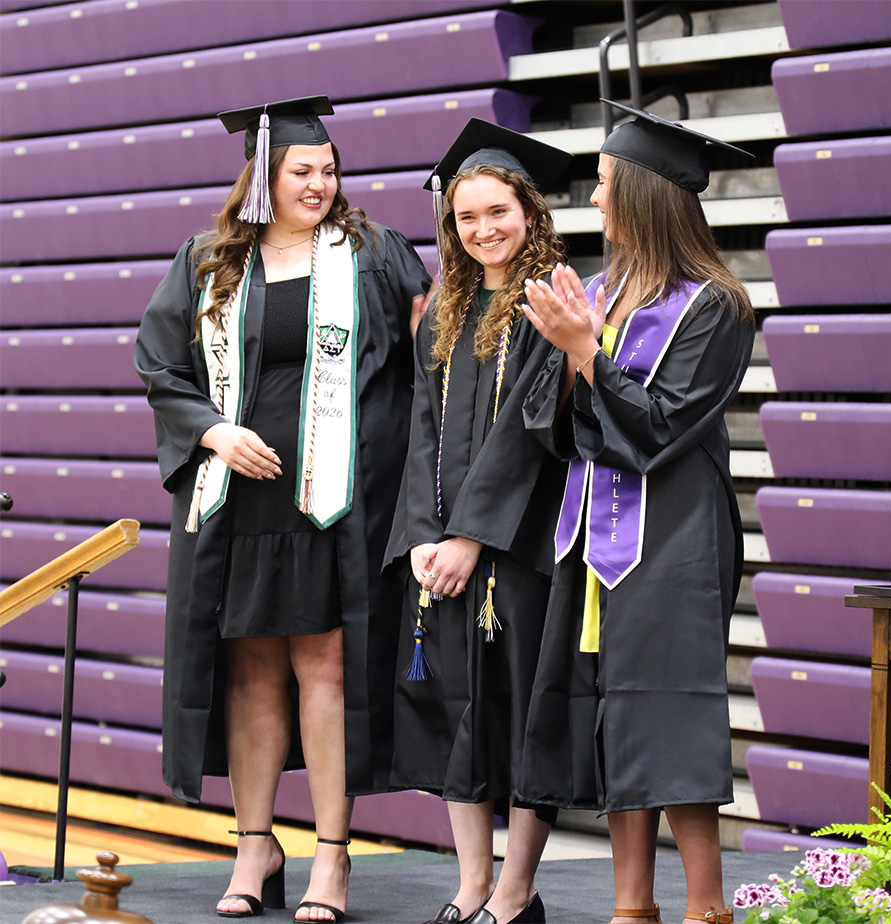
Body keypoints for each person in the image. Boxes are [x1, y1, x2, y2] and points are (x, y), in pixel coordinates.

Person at [134, 96, 430, 923]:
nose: (322, 184)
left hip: (333, 503)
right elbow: (161, 365)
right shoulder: (208, 260)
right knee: (253, 673)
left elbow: (427, 346)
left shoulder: (371, 254)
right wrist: (215, 433)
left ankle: (331, 859)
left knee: (325, 672)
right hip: (240, 499)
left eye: (329, 170)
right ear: (263, 175)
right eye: (304, 170)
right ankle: (255, 843)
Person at [516, 101, 756, 924]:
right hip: (594, 538)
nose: (594, 201)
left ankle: (705, 909)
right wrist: (564, 355)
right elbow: (554, 420)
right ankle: (631, 909)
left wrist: (586, 353)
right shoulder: (603, 291)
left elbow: (659, 430)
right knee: (616, 710)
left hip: (674, 539)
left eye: (607, 184)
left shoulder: (714, 308)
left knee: (670, 711)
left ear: (647, 196)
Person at [385, 119, 572, 924]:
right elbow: (422, 427)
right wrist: (426, 537)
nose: (484, 229)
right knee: (458, 715)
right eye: (467, 218)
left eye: (498, 211)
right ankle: (471, 883)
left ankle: (516, 886)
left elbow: (530, 435)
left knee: (524, 714)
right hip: (443, 552)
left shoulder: (551, 300)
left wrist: (471, 535)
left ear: (528, 210)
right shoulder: (447, 308)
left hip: (519, 549)